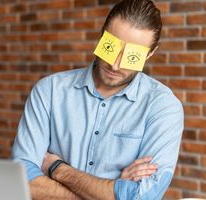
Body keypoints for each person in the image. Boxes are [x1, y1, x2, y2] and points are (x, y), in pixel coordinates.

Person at [12, 0, 184, 199]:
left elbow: (141, 196)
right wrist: (109, 191)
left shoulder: (163, 107)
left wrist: (58, 169)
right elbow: (22, 179)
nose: (115, 65)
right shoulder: (49, 91)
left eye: (132, 56)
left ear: (150, 54)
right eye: (111, 47)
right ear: (102, 35)